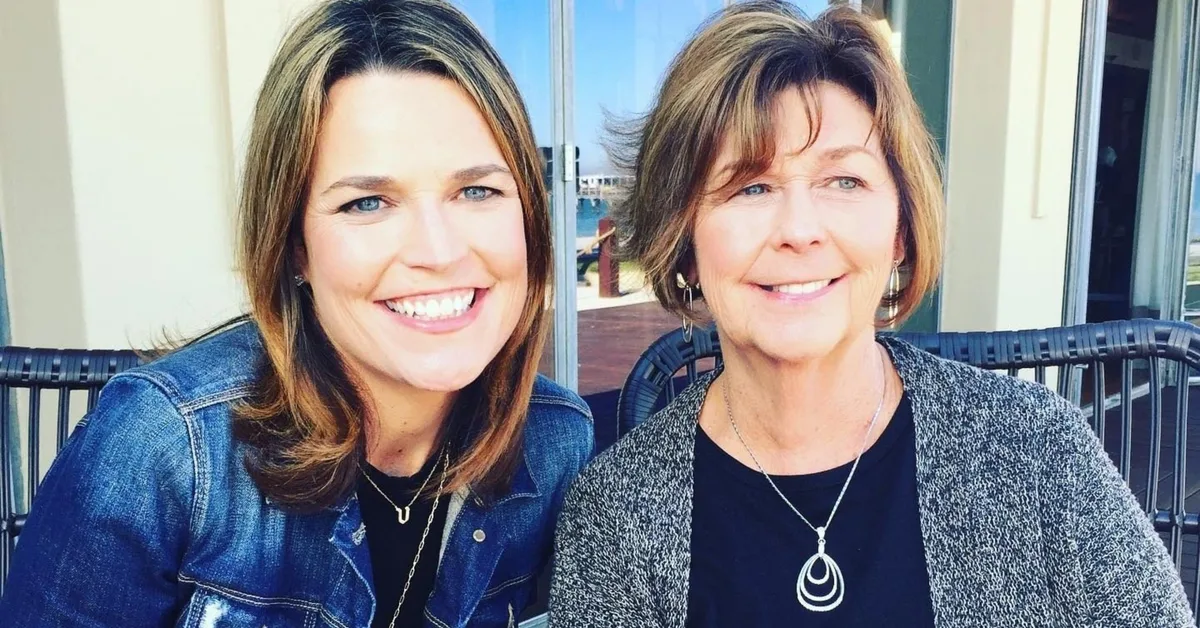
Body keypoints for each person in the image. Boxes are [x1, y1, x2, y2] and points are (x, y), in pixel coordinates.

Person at [549, 3, 1192, 627]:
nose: (799, 230)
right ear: (683, 240)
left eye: (844, 181)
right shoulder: (614, 517)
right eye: (752, 186)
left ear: (901, 230)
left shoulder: (1032, 451)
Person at [0, 1, 593, 625]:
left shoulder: (556, 442)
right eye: (367, 203)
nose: (439, 253)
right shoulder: (165, 450)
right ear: (293, 248)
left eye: (477, 191)